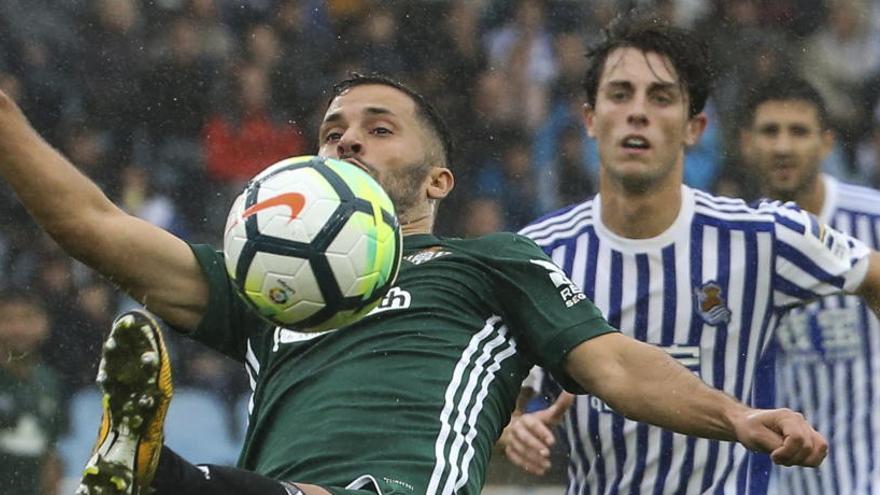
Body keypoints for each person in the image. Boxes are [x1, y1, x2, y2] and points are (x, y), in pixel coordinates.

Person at [0, 71, 830, 495]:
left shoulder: (485, 265)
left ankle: (162, 474)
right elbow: (94, 227)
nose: (347, 140)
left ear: (437, 181)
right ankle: (162, 472)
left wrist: (734, 414)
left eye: (377, 127)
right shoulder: (264, 287)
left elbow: (613, 364)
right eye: (332, 131)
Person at [510, 17, 880, 495]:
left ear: (694, 127)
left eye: (660, 97)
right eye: (620, 95)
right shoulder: (540, 252)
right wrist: (514, 428)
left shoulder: (762, 235)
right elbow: (496, 406)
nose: (637, 113)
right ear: (589, 118)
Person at [739, 75, 880, 494]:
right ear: (746, 142)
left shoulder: (873, 222)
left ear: (827, 142)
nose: (783, 146)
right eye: (769, 131)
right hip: (783, 481)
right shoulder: (735, 239)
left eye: (798, 131)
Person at [0, 290, 63, 495]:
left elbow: (50, 454)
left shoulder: (50, 381)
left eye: (27, 318)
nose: (18, 329)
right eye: (7, 319)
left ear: (44, 324)